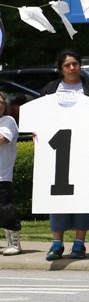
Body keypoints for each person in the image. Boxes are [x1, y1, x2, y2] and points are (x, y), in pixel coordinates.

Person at [39, 49, 89, 261]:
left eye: (75, 64)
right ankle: (56, 243)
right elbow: (40, 119)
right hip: (57, 154)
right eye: (67, 65)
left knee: (84, 197)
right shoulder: (50, 90)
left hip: (87, 154)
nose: (72, 68)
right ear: (60, 68)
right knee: (57, 197)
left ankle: (79, 243)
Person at [0, 93, 22, 256]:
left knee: (5, 210)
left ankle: (14, 242)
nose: (0, 105)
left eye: (1, 102)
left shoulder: (8, 121)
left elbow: (2, 139)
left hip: (2, 177)